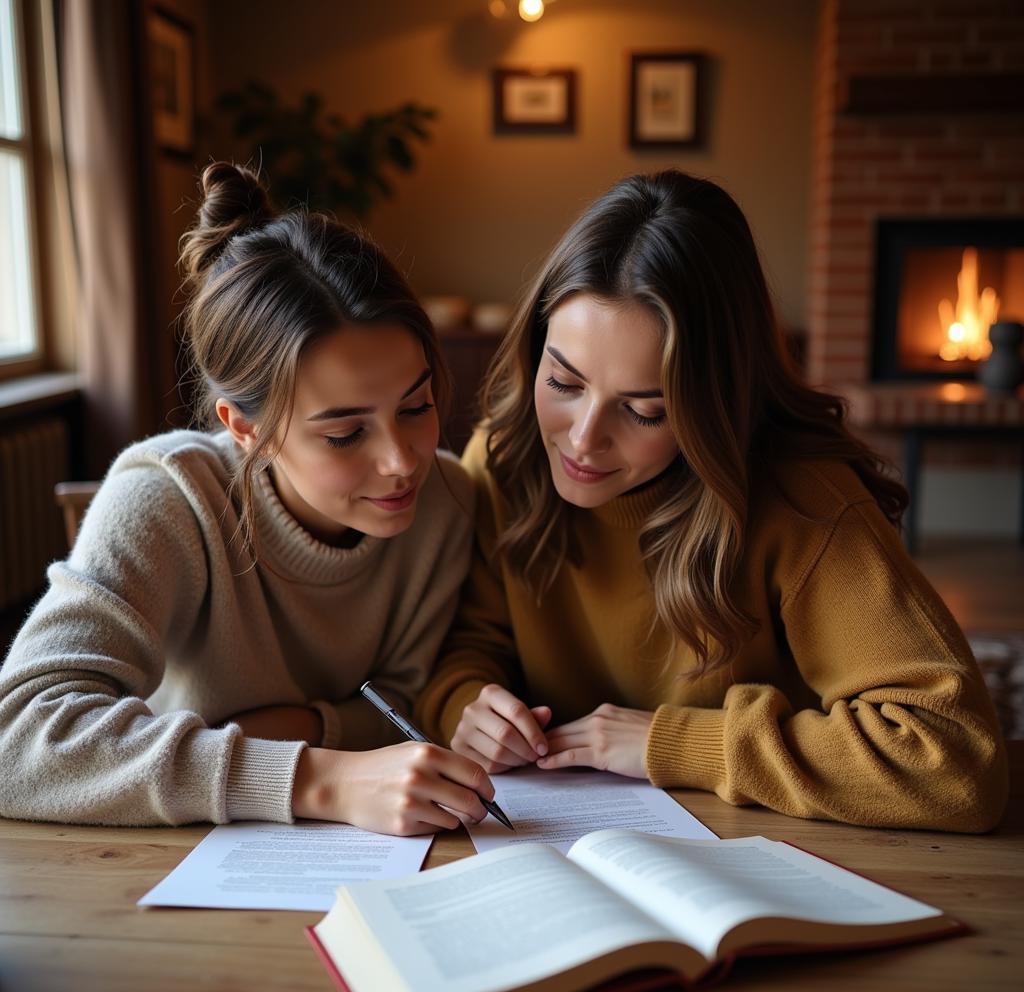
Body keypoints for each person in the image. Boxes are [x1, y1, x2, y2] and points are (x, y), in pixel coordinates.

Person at [416, 170, 1008, 833]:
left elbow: (954, 760)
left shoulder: (804, 500)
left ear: (713, 406)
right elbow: (464, 646)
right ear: (534, 354)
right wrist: (467, 704)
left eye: (643, 412)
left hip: (777, 847)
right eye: (564, 381)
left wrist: (673, 744)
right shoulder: (504, 458)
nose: (582, 440)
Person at [0, 161, 495, 835]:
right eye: (346, 433)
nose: (402, 461)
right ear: (244, 428)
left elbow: (401, 703)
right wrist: (312, 776)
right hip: (168, 857)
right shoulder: (169, 497)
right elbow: (18, 739)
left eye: (417, 406)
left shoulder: (448, 501)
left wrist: (294, 726)